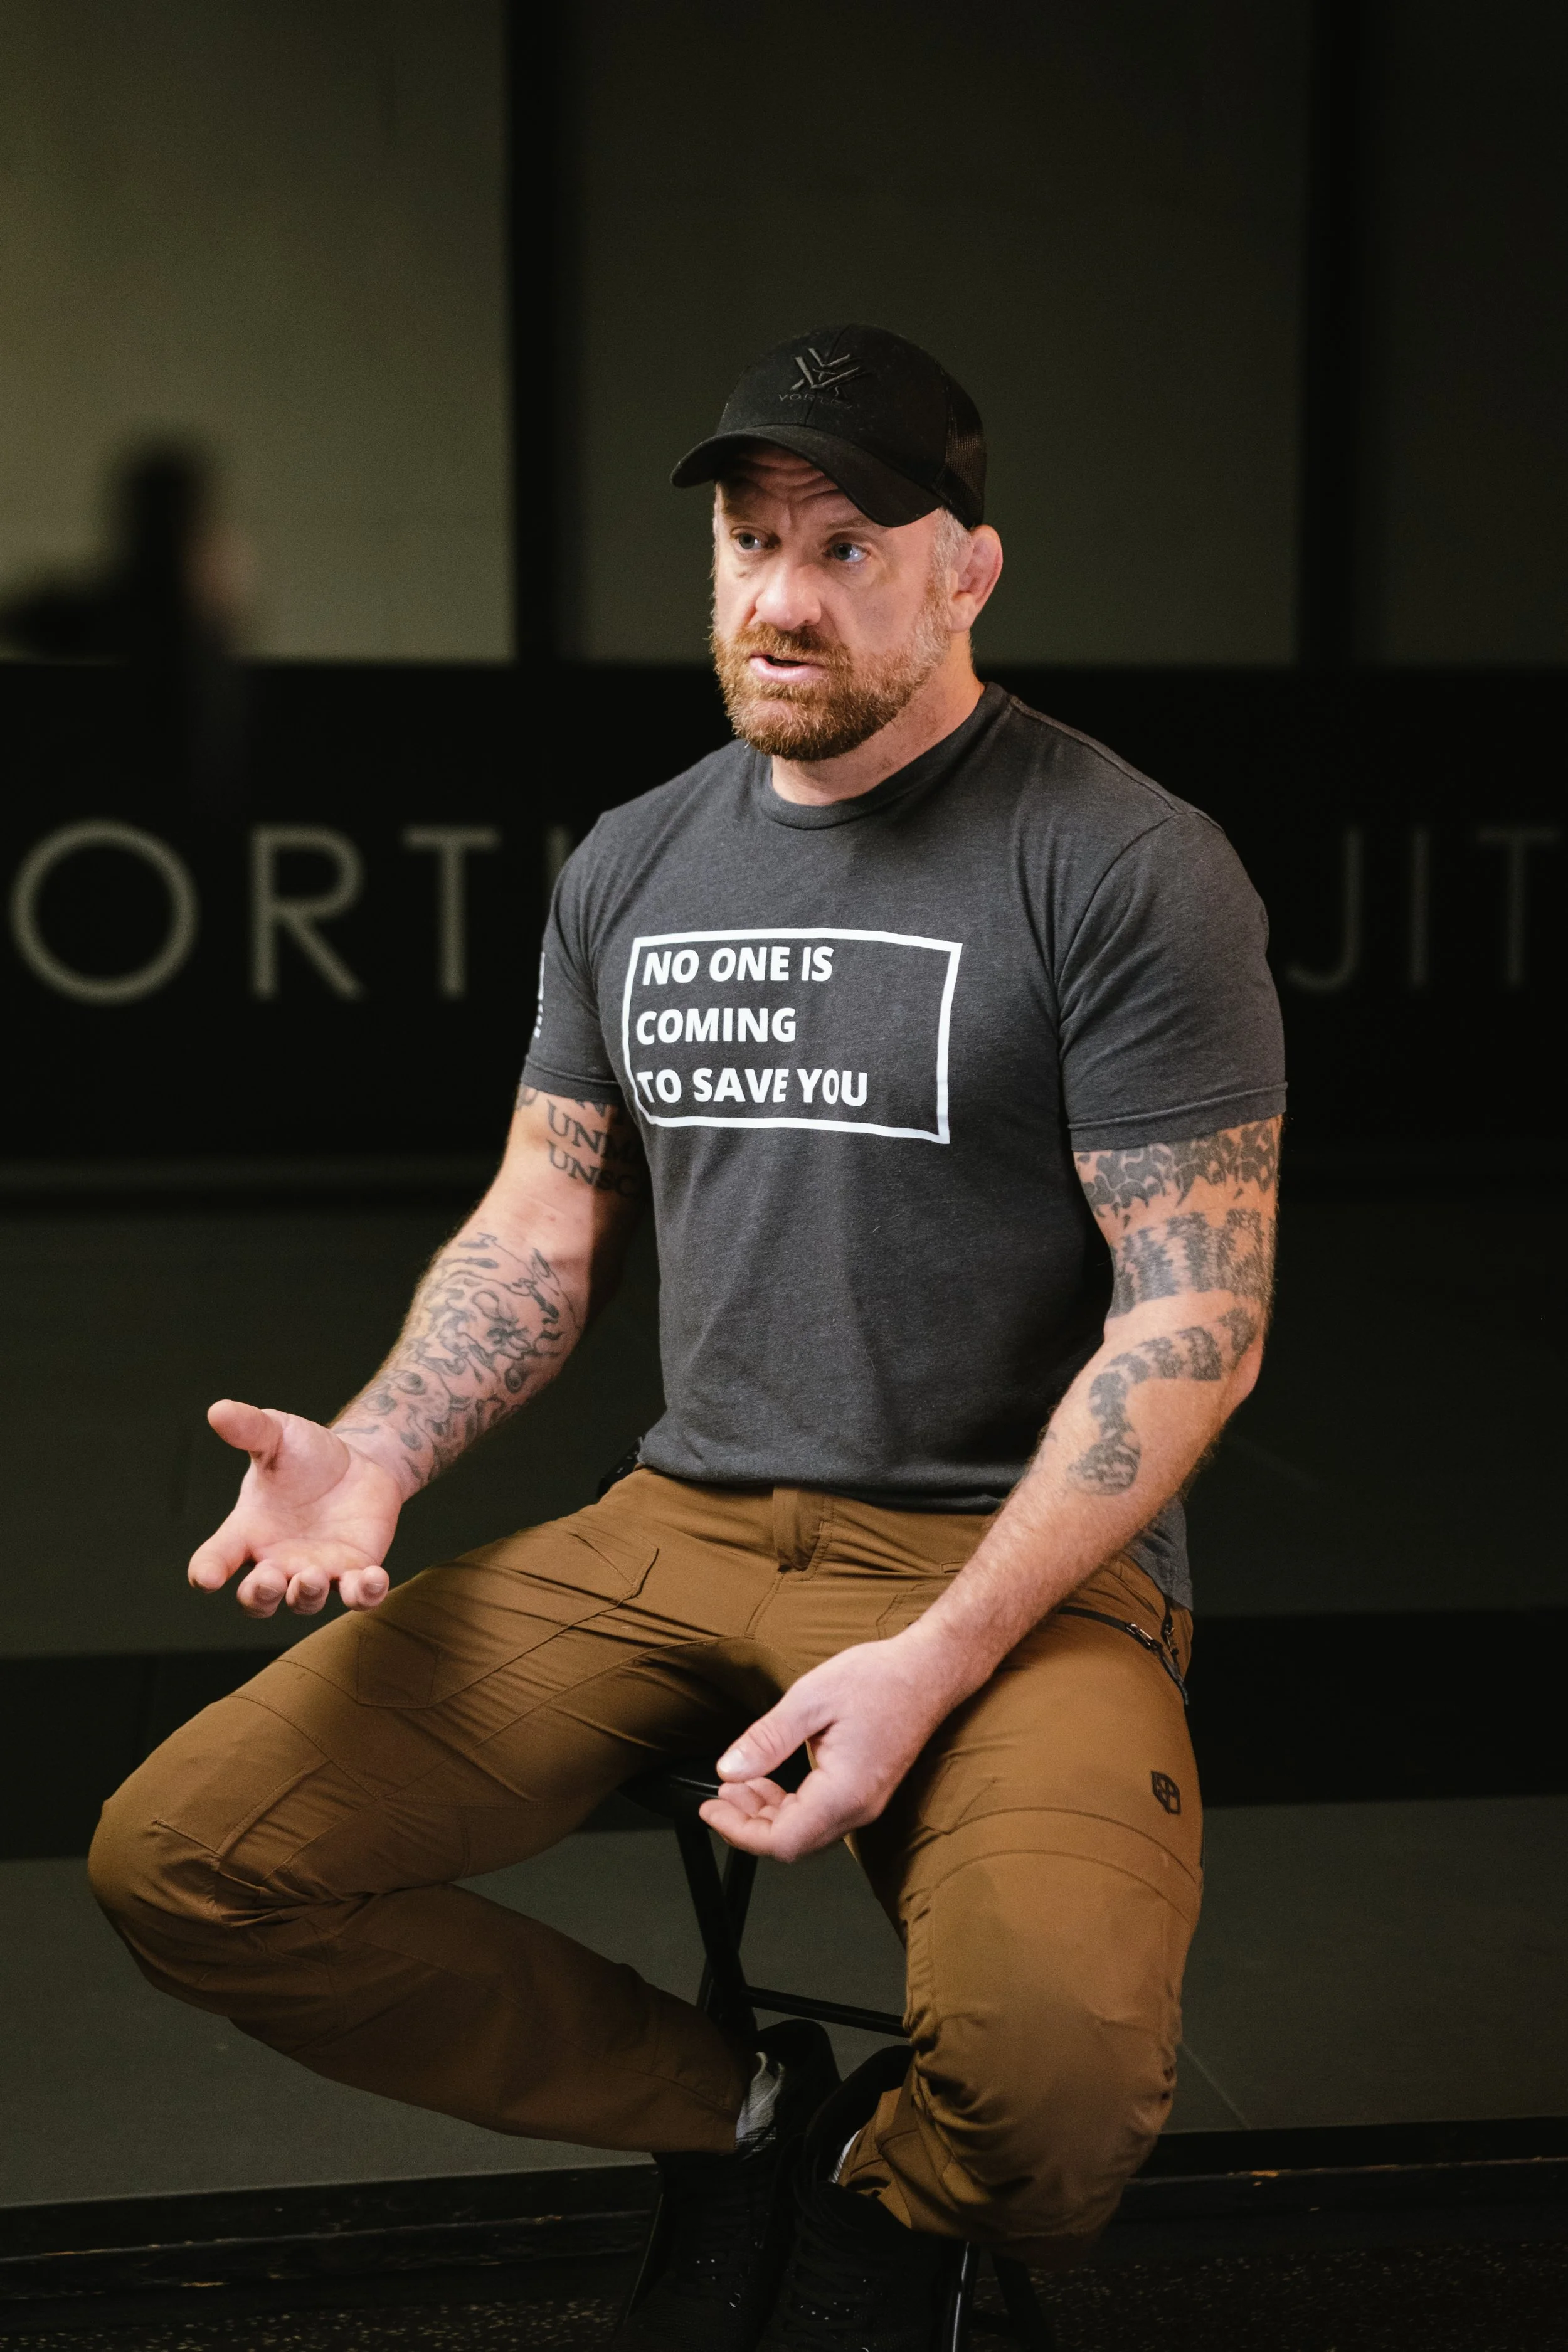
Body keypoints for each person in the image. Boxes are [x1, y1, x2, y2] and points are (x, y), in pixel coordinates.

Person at [90, 325, 1285, 2351]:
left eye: (844, 545)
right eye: (748, 543)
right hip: (685, 1522)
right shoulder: (640, 859)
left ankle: (901, 2190)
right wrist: (377, 1445)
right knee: (186, 1857)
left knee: (1056, 2090)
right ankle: (743, 2117)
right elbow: (543, 1220)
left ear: (967, 567)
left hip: (1012, 1565)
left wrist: (937, 1656)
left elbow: (1195, 1313)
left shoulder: (1119, 860)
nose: (780, 597)